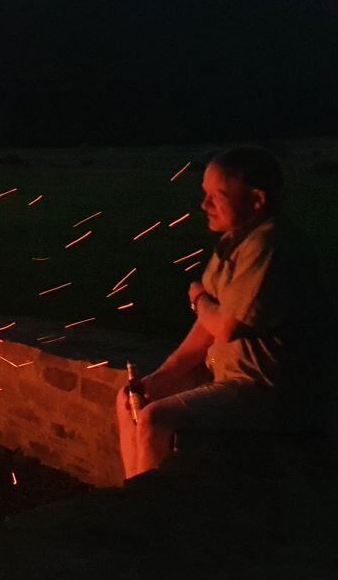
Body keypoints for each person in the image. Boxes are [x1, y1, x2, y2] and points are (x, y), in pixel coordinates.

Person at [117, 147, 329, 479]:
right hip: (233, 379)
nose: (204, 205)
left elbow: (227, 326)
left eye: (217, 196)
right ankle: (131, 490)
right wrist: (165, 375)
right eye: (205, 194)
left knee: (155, 420)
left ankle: (149, 514)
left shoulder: (270, 245)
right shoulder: (234, 243)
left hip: (269, 391)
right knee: (130, 398)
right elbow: (207, 328)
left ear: (257, 200)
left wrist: (199, 298)